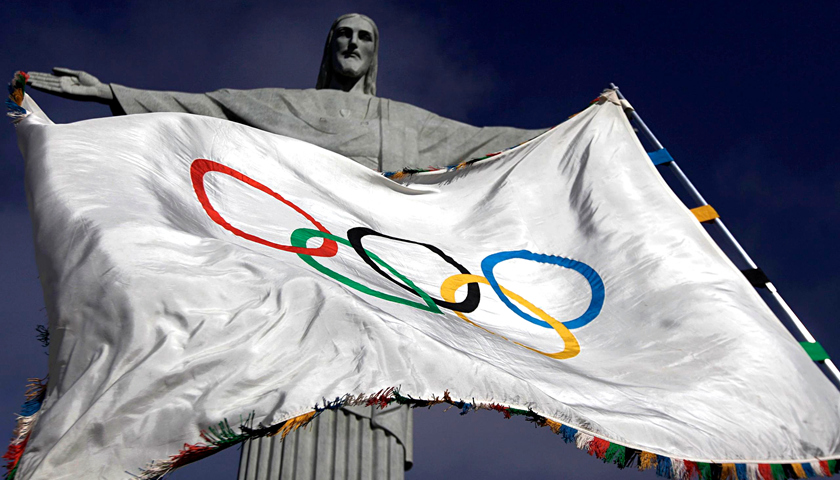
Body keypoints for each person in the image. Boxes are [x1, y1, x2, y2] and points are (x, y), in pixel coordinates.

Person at [27, 13, 547, 480]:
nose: (353, 43)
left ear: (374, 54)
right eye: (344, 34)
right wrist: (109, 92)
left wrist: (575, 130)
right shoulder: (288, 108)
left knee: (372, 385)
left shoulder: (402, 122)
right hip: (296, 269)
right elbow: (206, 109)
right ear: (330, 45)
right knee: (278, 382)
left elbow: (485, 140)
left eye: (364, 37)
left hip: (374, 285)